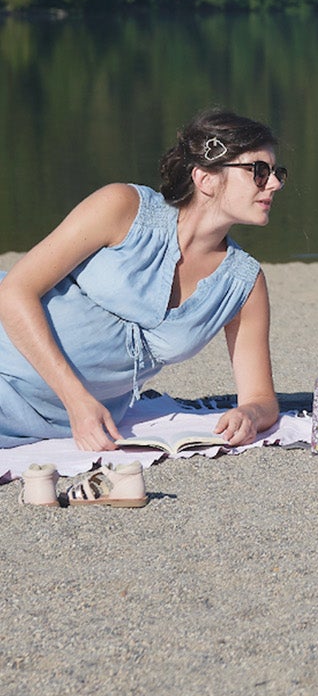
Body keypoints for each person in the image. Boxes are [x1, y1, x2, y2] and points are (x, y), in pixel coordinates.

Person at [0, 109, 285, 452]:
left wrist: (250, 415)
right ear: (205, 178)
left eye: (276, 172)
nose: (274, 183)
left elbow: (261, 399)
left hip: (59, 422)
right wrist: (77, 401)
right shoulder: (123, 208)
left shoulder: (243, 283)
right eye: (259, 171)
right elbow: (14, 291)